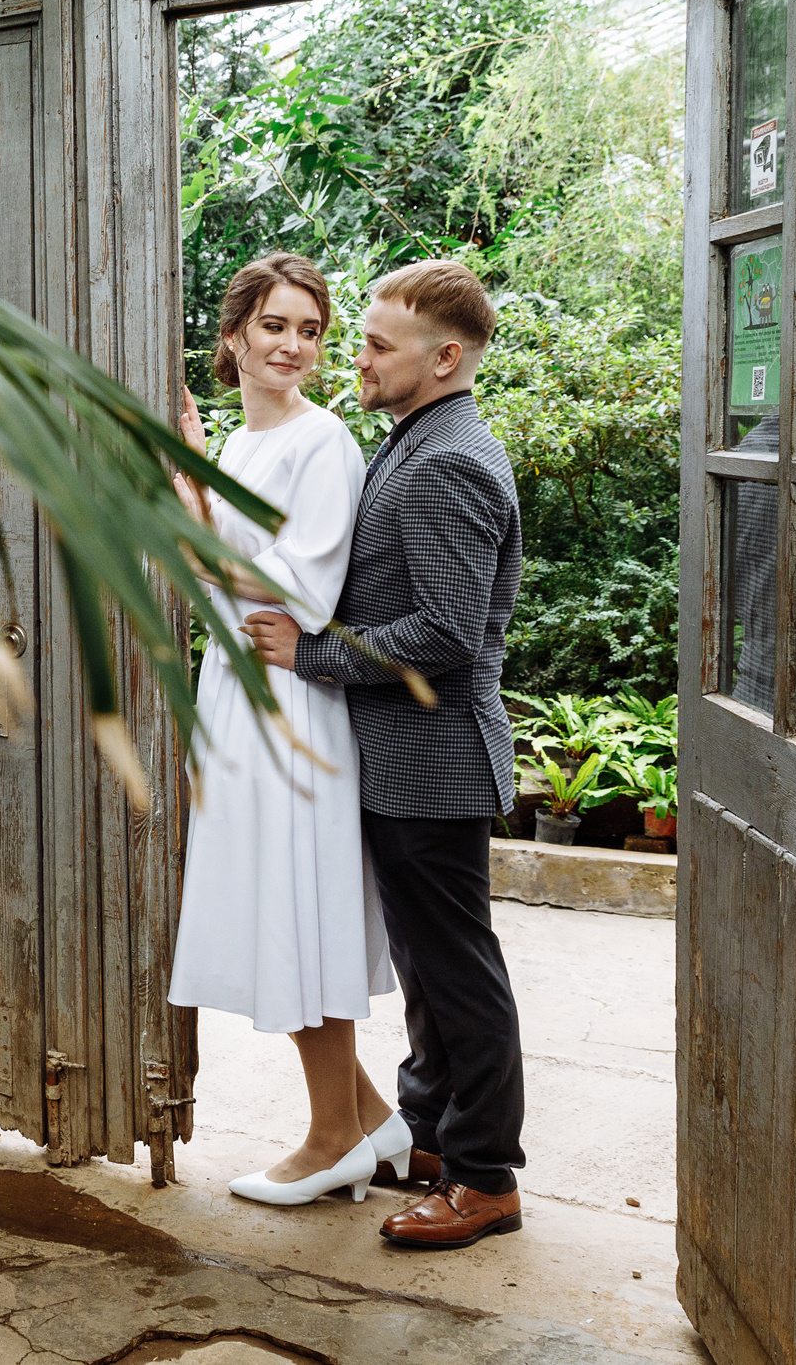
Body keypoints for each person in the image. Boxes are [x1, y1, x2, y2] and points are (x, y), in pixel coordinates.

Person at [243, 258, 527, 1251]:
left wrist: (312, 655)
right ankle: (435, 1143)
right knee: (424, 967)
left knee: (456, 974)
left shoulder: (447, 459)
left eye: (372, 344)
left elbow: (448, 632)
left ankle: (486, 1180)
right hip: (407, 758)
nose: (352, 358)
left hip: (434, 759)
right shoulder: (420, 441)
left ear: (443, 358)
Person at [167, 252, 411, 1209]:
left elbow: (299, 591)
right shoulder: (235, 446)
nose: (293, 346)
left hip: (291, 695)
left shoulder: (325, 444)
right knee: (276, 899)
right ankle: (378, 1123)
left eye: (310, 329)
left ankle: (329, 1138)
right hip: (240, 685)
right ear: (236, 336)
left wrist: (200, 534)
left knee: (298, 907)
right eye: (275, 325)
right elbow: (222, 570)